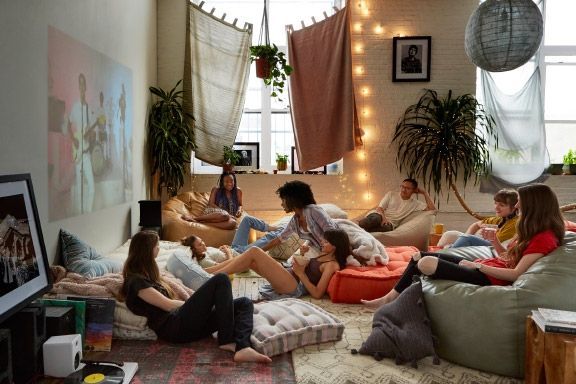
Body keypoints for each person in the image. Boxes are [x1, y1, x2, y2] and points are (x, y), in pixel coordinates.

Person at [361, 183, 565, 308]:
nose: (518, 205)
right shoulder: (531, 230)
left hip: (489, 277)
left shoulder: (544, 238)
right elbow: (508, 258)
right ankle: (389, 299)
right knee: (419, 256)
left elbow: (515, 274)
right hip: (488, 266)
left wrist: (478, 266)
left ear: (534, 205)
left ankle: (397, 302)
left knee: (427, 263)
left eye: (520, 201)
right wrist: (494, 243)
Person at [119, 230, 271, 363]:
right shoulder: (136, 282)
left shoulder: (147, 274)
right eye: (157, 245)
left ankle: (242, 347)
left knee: (244, 303)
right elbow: (167, 305)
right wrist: (202, 304)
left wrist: (206, 305)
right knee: (221, 279)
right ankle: (226, 339)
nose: (159, 248)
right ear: (147, 250)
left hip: (186, 324)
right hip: (175, 328)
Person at [205, 229, 351, 300]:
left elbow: (318, 293)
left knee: (255, 251)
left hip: (294, 286)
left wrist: (300, 273)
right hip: (288, 274)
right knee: (249, 258)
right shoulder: (323, 254)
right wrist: (302, 253)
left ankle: (208, 277)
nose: (322, 243)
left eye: (326, 242)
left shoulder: (332, 265)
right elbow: (303, 266)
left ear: (335, 246)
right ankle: (206, 271)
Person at [260, 180, 340, 255]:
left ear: (292, 199)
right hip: (323, 251)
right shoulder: (295, 220)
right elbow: (279, 239)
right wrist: (260, 251)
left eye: (283, 200)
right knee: (294, 261)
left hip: (337, 249)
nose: (282, 204)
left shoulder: (313, 210)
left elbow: (333, 234)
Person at [182, 215, 284, 267]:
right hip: (241, 255)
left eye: (202, 241)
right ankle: (284, 231)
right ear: (194, 250)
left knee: (247, 219)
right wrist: (227, 252)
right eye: (200, 244)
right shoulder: (205, 262)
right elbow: (229, 266)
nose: (204, 244)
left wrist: (223, 248)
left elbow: (217, 254)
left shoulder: (203, 251)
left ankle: (272, 228)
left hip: (235, 248)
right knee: (268, 238)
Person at [437, 189, 519, 248]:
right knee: (449, 234)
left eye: (501, 205)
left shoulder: (515, 223)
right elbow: (476, 224)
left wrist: (469, 237)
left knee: (467, 238)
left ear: (514, 207)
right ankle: (440, 253)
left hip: (494, 248)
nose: (496, 207)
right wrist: (467, 234)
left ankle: (445, 254)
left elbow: (496, 242)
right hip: (484, 242)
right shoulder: (498, 219)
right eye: (495, 203)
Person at [353, 178, 436, 233]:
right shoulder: (391, 194)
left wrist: (425, 193)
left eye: (407, 188)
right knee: (375, 219)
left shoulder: (415, 204)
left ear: (414, 190)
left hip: (390, 224)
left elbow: (433, 210)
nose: (403, 190)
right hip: (379, 215)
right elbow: (380, 208)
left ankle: (359, 230)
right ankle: (354, 225)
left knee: (386, 228)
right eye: (402, 187)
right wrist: (384, 219)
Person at [68, 73, 95, 215]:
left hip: (86, 153)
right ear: (78, 87)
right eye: (80, 84)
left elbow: (89, 131)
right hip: (78, 152)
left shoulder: (88, 108)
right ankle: (79, 214)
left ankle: (87, 212)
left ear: (86, 86)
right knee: (79, 187)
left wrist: (91, 134)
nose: (82, 87)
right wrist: (74, 140)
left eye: (84, 84)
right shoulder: (75, 106)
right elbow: (68, 124)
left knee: (91, 187)